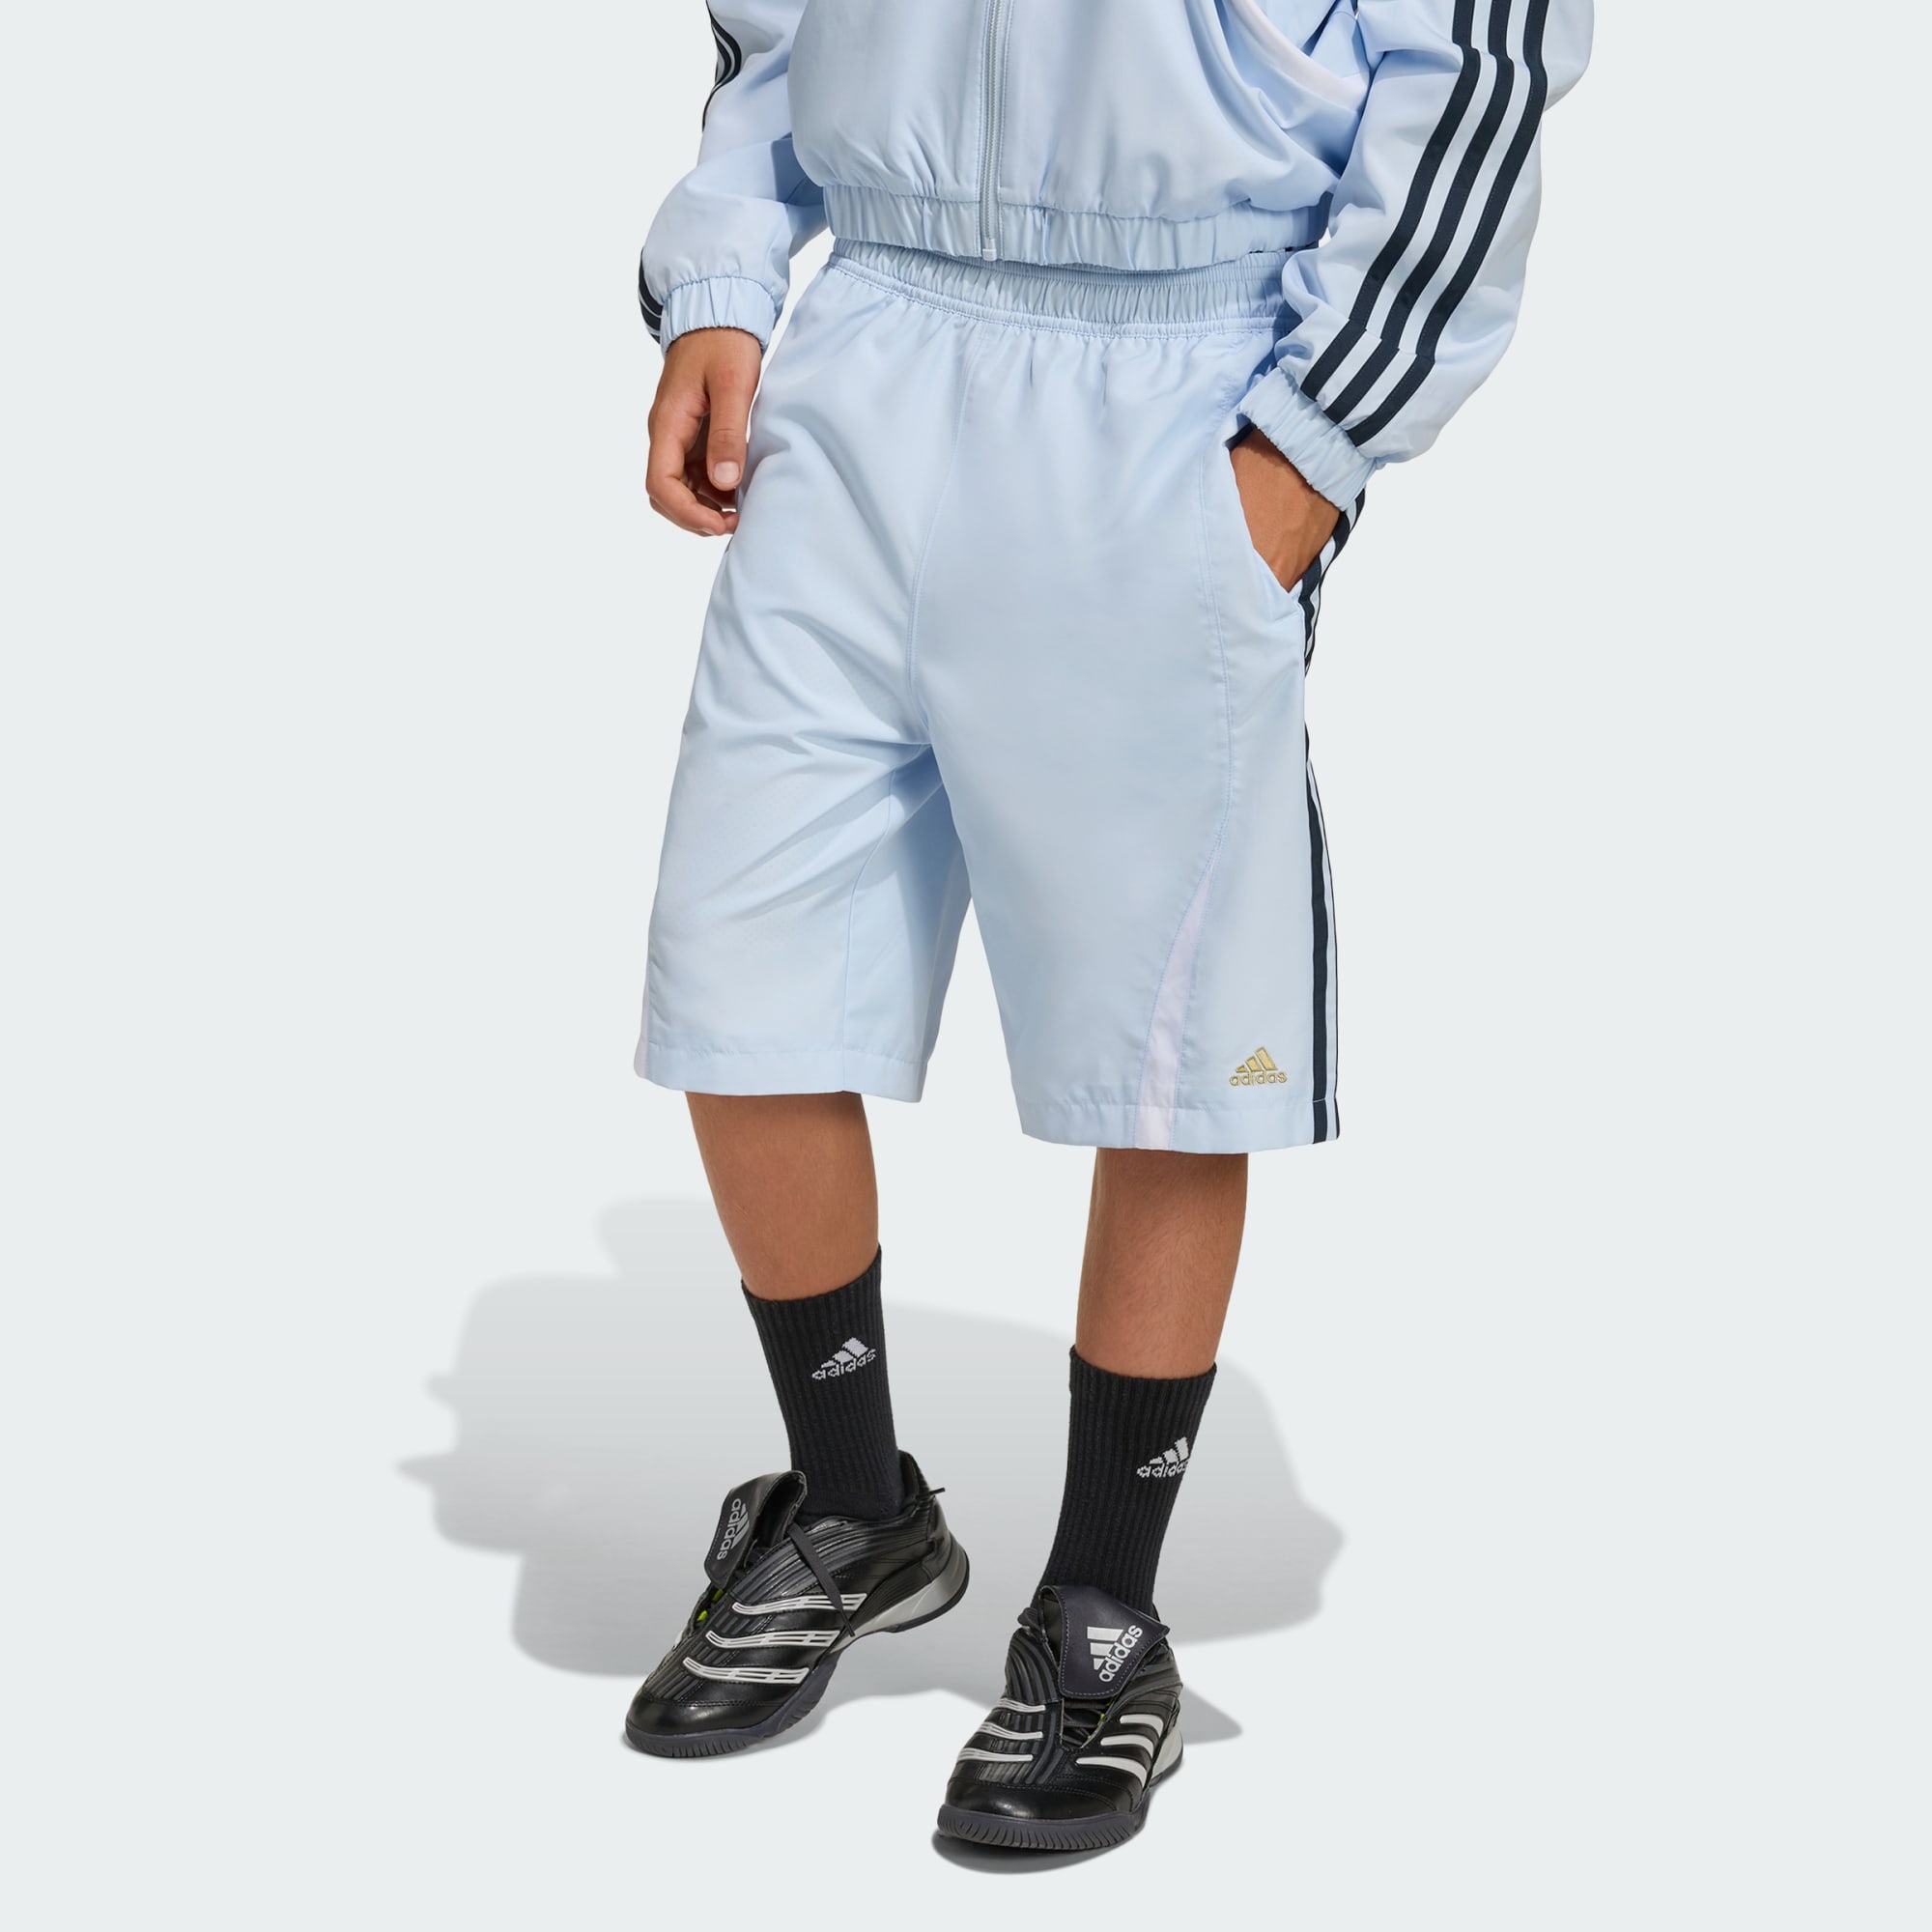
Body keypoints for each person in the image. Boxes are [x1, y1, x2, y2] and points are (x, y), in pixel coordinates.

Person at [624, 0, 1590, 1851]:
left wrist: (1310, 445)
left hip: (1178, 370)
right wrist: (727, 284)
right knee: (743, 981)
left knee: (1164, 1043)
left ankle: (1100, 1612)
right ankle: (853, 1507)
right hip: (868, 346)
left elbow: (1479, 65)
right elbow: (769, 34)